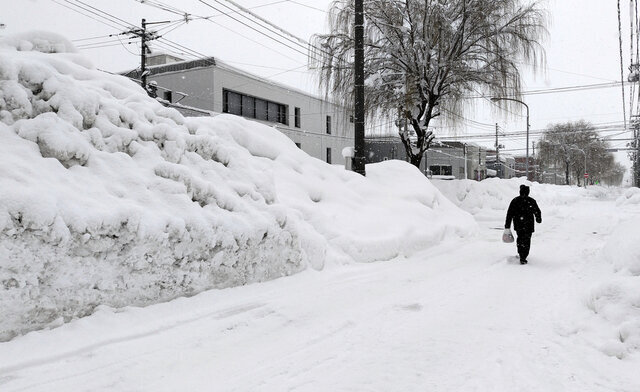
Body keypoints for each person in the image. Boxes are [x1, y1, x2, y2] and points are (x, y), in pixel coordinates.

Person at [505, 184, 542, 264]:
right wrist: (538, 218)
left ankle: (521, 253)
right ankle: (524, 255)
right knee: (527, 240)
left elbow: (509, 214)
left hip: (519, 224)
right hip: (529, 225)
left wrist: (507, 225)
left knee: (520, 238)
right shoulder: (531, 201)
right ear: (528, 192)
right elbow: (537, 211)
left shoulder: (515, 201)